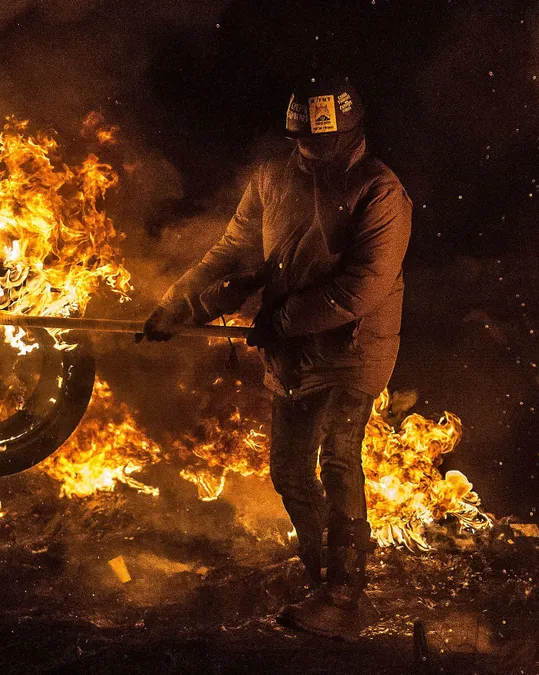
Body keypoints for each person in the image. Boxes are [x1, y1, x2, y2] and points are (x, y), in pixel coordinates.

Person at [139, 76, 411, 640]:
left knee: (338, 457)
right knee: (289, 474)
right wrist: (179, 305)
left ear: (352, 131)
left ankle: (343, 597)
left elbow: (364, 286)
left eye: (321, 142)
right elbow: (231, 254)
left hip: (355, 350)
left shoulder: (380, 192)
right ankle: (323, 579)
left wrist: (281, 320)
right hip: (290, 353)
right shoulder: (273, 177)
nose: (309, 152)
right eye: (302, 141)